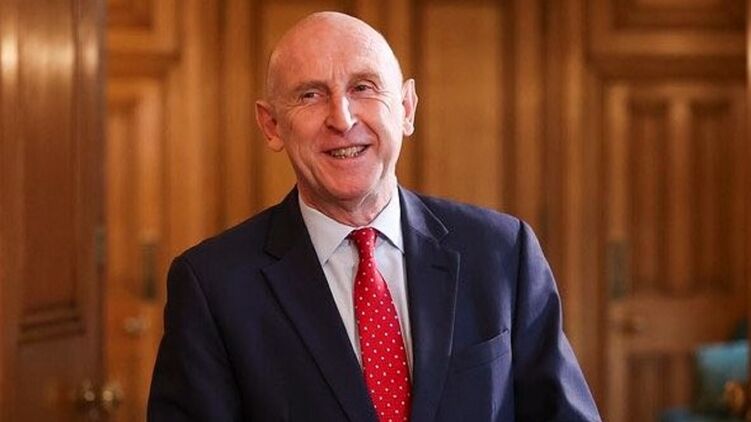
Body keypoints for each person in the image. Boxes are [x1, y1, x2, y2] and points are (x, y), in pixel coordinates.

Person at [147, 11, 601, 422]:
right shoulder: (212, 286)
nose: (342, 119)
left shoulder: (502, 253)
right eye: (310, 95)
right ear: (271, 126)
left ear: (406, 108)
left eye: (363, 87)